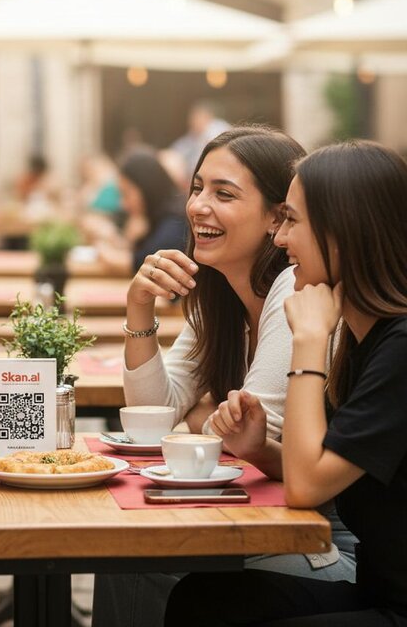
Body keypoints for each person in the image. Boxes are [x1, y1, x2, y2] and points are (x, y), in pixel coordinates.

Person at [91, 126, 355, 627]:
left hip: (324, 542)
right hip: (260, 518)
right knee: (122, 559)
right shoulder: (218, 294)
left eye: (224, 193)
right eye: (197, 188)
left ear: (279, 217)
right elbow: (155, 417)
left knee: (135, 565)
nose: (198, 206)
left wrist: (201, 417)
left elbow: (243, 432)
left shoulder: (292, 289)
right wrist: (139, 304)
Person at [165, 140, 407, 626]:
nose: (279, 239)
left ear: (343, 234)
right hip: (376, 591)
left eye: (292, 221)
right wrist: (257, 449)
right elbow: (320, 467)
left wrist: (310, 341)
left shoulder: (398, 346)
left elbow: (305, 487)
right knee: (201, 599)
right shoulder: (369, 338)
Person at [87, 148, 187, 274]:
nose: (123, 204)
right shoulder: (154, 216)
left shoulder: (175, 221)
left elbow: (142, 264)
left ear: (146, 187)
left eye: (126, 194)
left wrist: (101, 246)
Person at [168, 99, 231, 176]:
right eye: (193, 118)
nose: (194, 121)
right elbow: (175, 152)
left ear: (208, 117)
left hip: (217, 171)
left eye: (198, 117)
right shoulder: (191, 136)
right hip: (192, 174)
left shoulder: (217, 128)